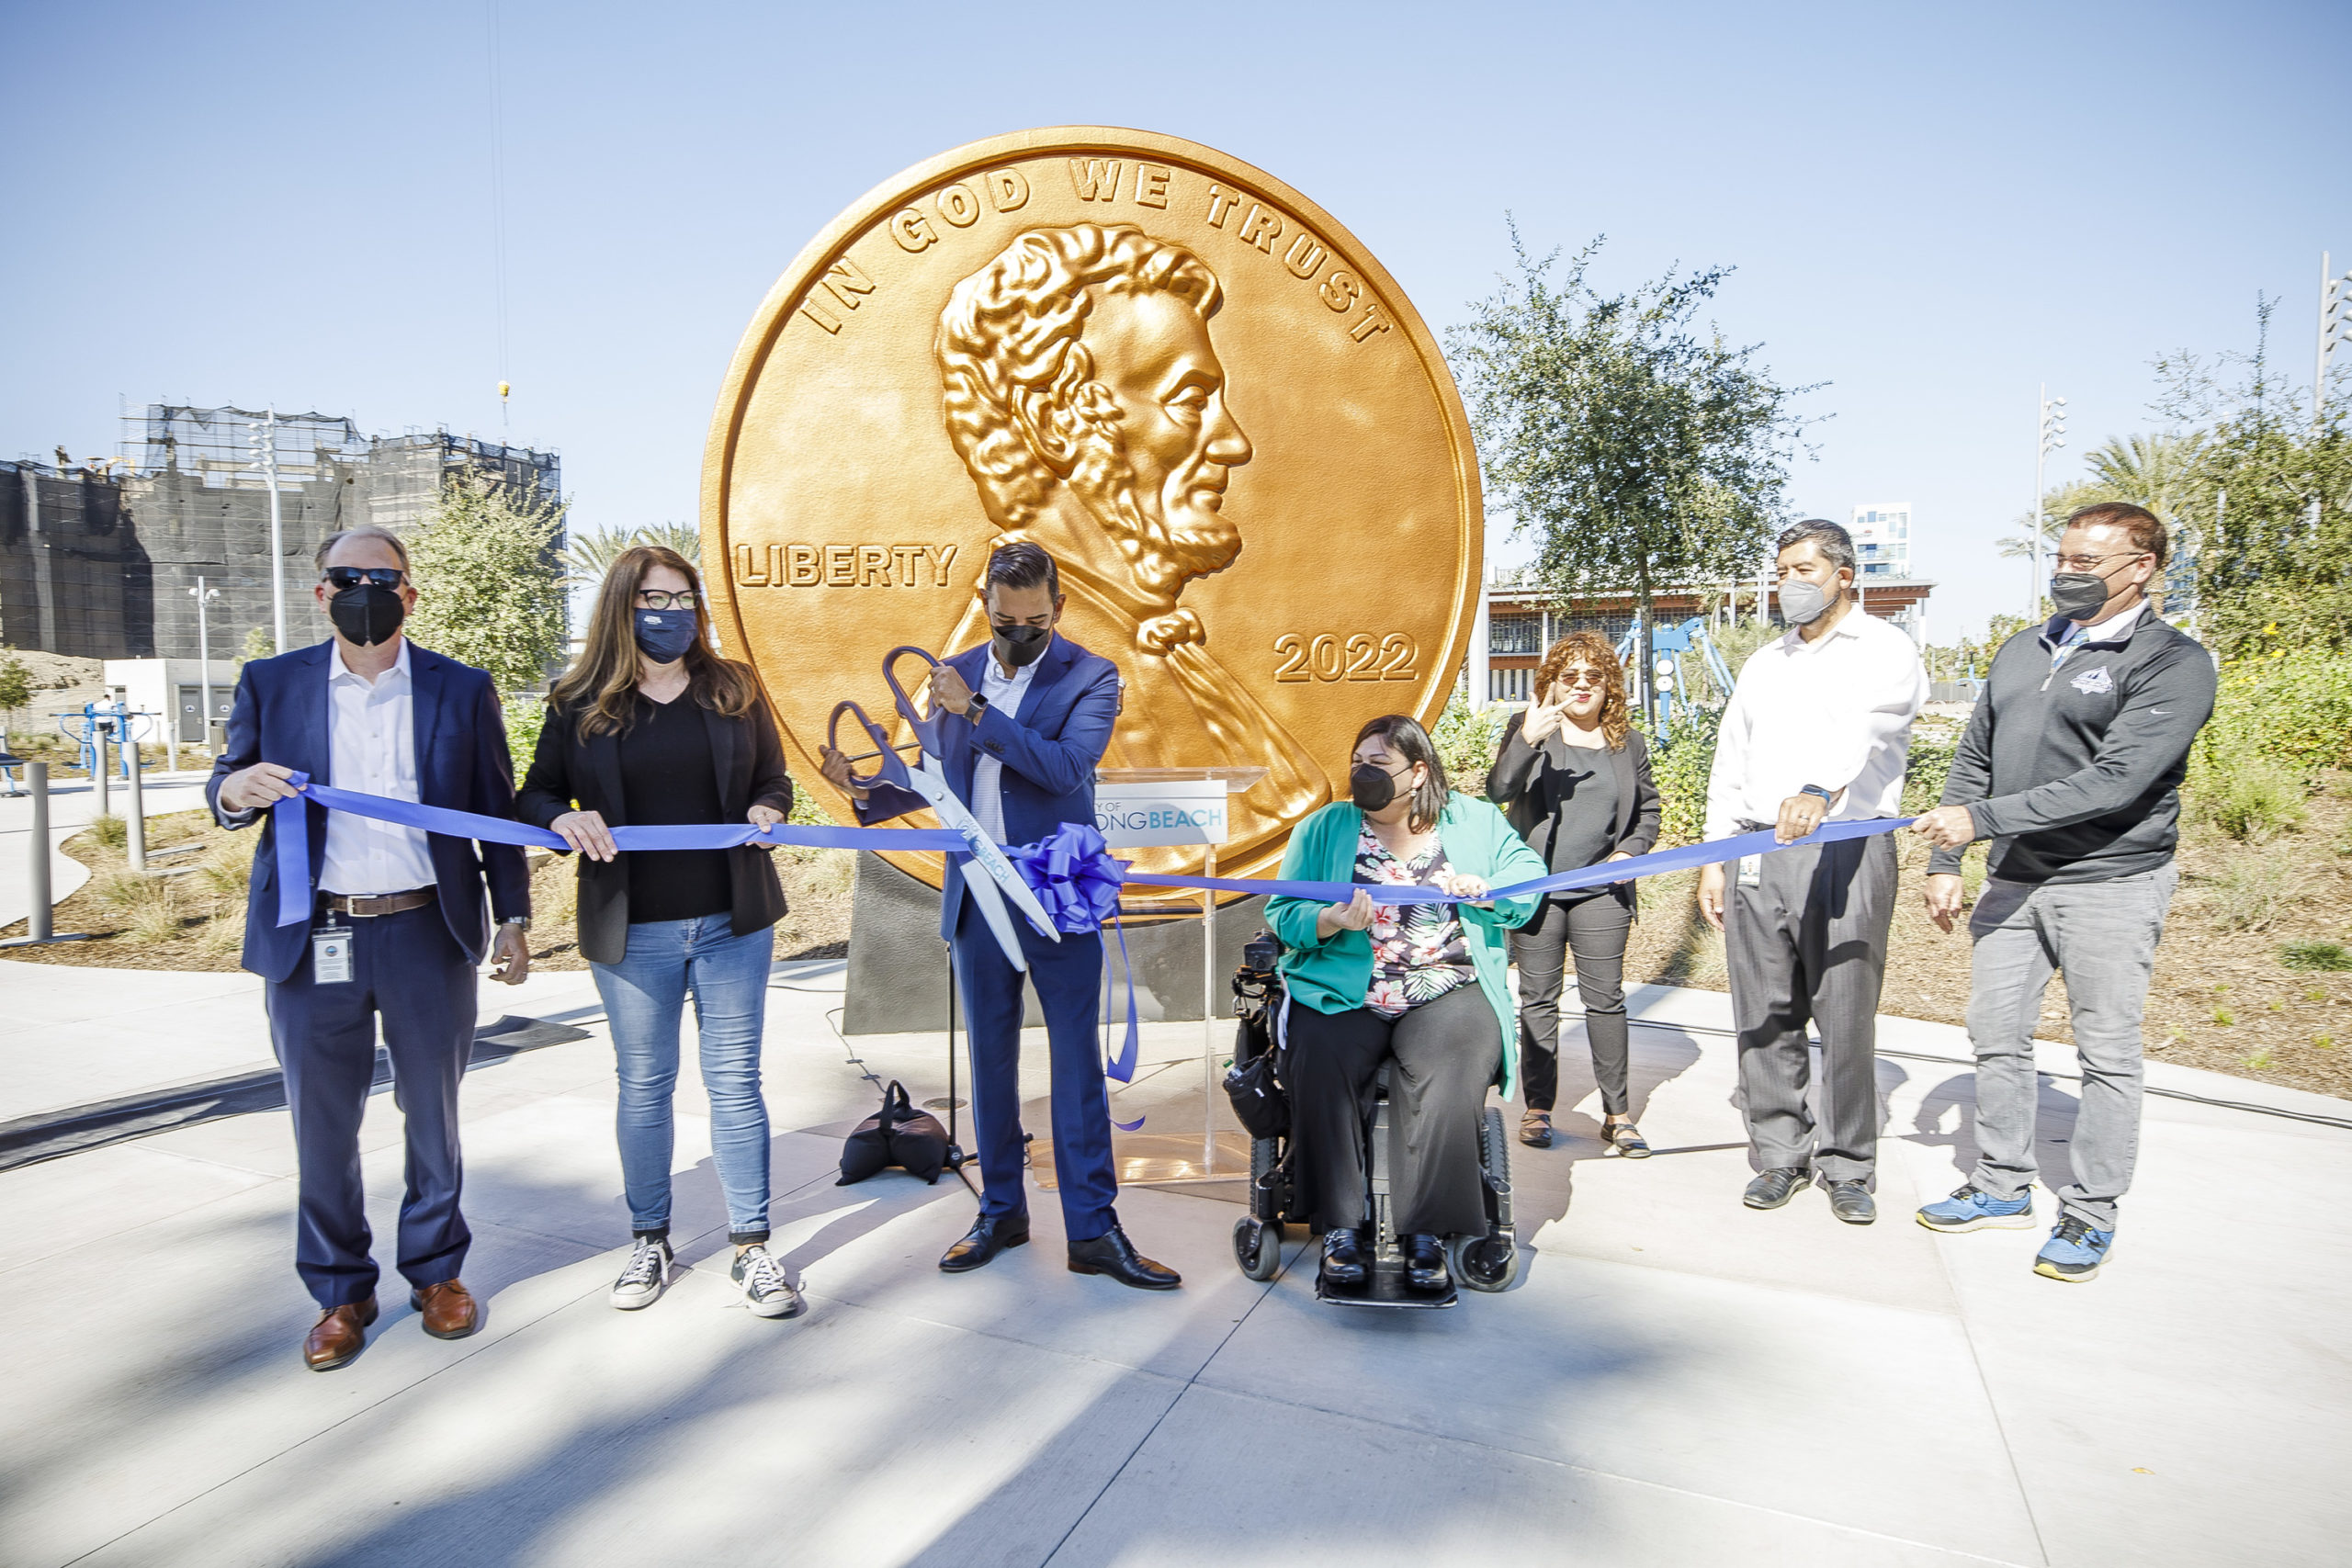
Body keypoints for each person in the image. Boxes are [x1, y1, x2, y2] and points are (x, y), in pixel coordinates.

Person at [208, 525, 532, 1371]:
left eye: (381, 578)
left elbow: (494, 814)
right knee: (322, 1125)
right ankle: (341, 1291)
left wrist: (513, 915)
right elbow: (228, 781)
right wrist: (232, 789)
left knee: (433, 1115)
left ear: (410, 594)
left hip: (428, 928)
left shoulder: (460, 690)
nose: (364, 590)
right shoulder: (271, 683)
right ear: (320, 592)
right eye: (346, 577)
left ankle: (435, 1273)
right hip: (313, 936)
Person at [819, 542, 1180, 1290]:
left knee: (1077, 1067)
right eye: (1004, 618)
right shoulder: (952, 672)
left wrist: (976, 711)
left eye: (1034, 620)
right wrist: (861, 791)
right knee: (990, 1065)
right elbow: (929, 781)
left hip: (1057, 896)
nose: (1018, 631)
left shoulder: (1092, 676)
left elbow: (1063, 768)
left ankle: (1094, 1229)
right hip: (976, 898)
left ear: (1059, 609)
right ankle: (1002, 1211)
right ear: (984, 603)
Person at [932, 222, 1329, 861]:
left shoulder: (1146, 644)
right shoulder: (994, 673)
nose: (1233, 442)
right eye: (1190, 399)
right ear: (1055, 421)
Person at [1911, 502, 2214, 1282]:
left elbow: (2115, 783)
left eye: (2088, 562)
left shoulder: (2171, 662)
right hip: (2014, 875)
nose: (2068, 573)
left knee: (2106, 1051)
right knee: (1995, 1033)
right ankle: (2002, 1184)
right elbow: (1973, 754)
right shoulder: (2023, 649)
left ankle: (2089, 1211)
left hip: (2110, 879)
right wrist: (1949, 857)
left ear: (2140, 566)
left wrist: (1976, 820)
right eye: (2064, 558)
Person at [516, 546, 803, 1319]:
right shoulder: (577, 699)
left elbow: (774, 777)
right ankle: (651, 1237)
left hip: (731, 924)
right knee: (645, 1087)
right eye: (653, 598)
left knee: (735, 1082)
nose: (670, 612)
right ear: (621, 604)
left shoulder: (733, 687)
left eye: (683, 598)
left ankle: (752, 1247)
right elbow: (535, 790)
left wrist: (768, 809)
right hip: (632, 928)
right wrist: (559, 815)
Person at [1268, 715, 1548, 1292]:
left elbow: (1528, 877)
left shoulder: (1472, 820)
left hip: (1443, 982)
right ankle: (1342, 1228)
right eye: (1357, 763)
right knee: (1319, 1059)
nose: (1363, 775)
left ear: (1418, 772)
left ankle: (1428, 1233)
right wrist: (1328, 918)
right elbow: (1280, 912)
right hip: (1346, 987)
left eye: (1379, 765)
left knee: (1451, 1068)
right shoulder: (1323, 828)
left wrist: (1484, 888)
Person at [1698, 520, 1927, 1225]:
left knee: (1845, 1008)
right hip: (1759, 846)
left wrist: (1819, 789)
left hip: (1845, 845)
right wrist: (1715, 854)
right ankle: (1778, 1153)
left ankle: (1849, 1165)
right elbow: (1730, 759)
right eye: (1782, 571)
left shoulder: (1886, 650)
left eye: (1803, 570)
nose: (1788, 584)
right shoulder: (1767, 662)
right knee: (1764, 1010)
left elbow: (1866, 730)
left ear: (1844, 574)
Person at [1488, 632, 1660, 1153]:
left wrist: (1631, 851)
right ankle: (1538, 1109)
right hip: (1537, 892)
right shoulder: (1531, 730)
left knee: (1604, 1000)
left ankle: (1618, 1114)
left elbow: (1648, 810)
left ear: (1610, 687)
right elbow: (1499, 791)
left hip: (1602, 892)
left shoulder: (1627, 743)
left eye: (1594, 677)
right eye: (1570, 677)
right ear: (1552, 685)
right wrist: (1527, 740)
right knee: (1537, 1000)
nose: (1582, 686)